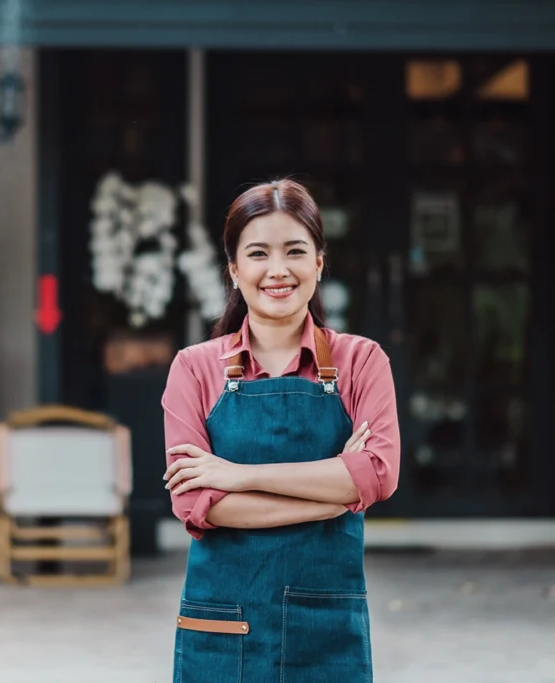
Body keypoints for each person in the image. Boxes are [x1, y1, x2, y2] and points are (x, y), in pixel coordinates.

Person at [161, 179, 400, 682]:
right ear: (233, 269)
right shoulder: (193, 369)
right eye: (257, 253)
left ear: (318, 262)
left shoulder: (362, 361)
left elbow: (377, 474)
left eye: (295, 251)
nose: (277, 270)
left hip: (327, 627)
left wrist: (235, 475)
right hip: (222, 627)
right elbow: (196, 504)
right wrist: (334, 497)